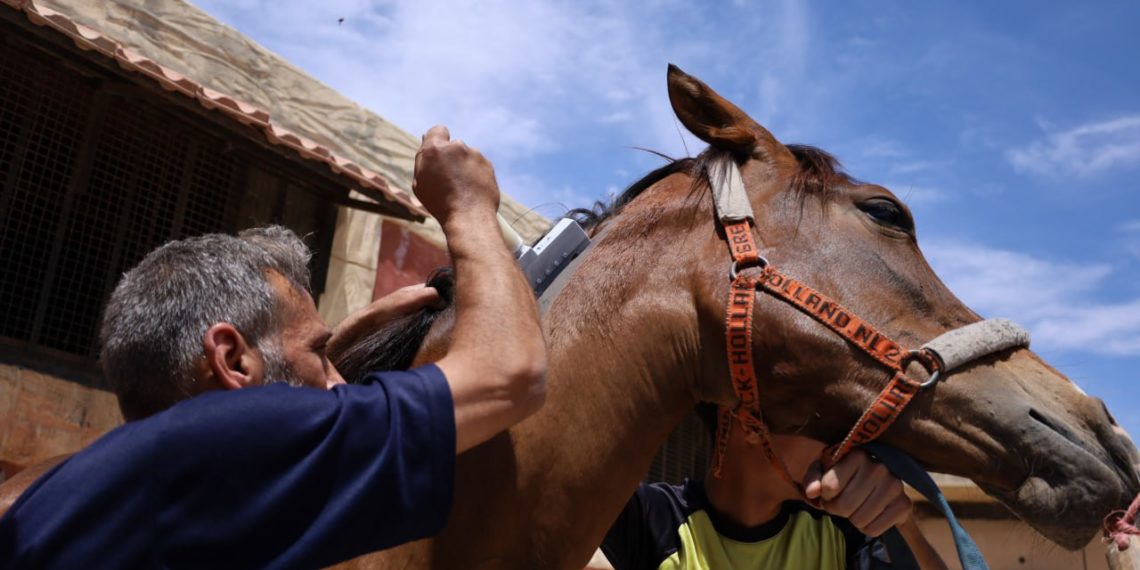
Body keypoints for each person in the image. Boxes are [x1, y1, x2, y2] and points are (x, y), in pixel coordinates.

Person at [0, 126, 547, 568]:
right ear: (233, 360)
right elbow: (511, 374)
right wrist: (468, 206)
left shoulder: (87, 491)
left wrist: (345, 333)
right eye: (320, 355)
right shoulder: (232, 440)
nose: (339, 383)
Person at [592, 405, 947, 570]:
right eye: (827, 424)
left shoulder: (843, 531)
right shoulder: (642, 518)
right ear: (749, 420)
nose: (842, 446)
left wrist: (902, 525)